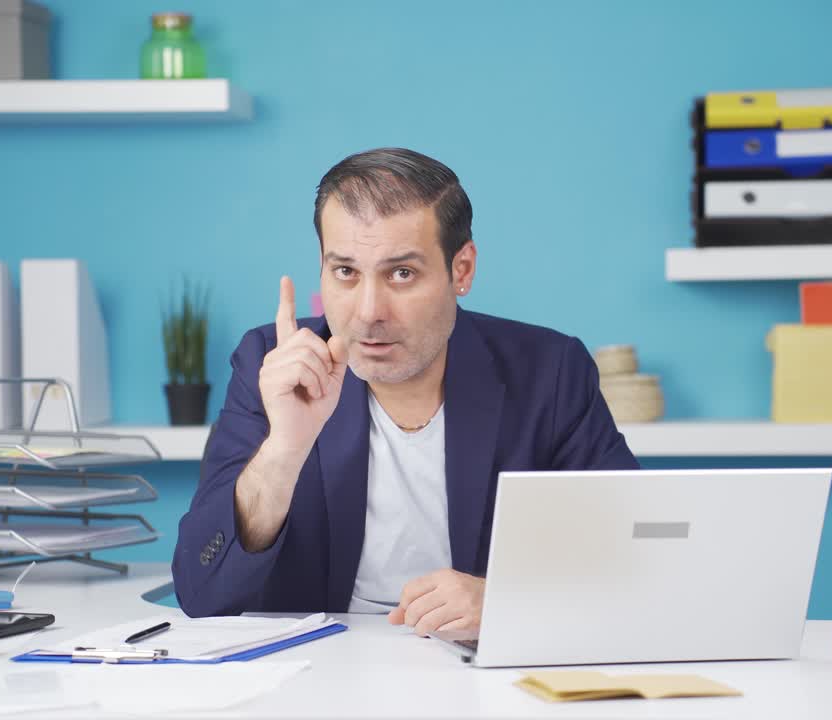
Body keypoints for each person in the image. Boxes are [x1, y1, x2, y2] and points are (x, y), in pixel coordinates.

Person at [173, 147, 637, 638]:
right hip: (319, 674)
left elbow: (633, 553)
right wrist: (285, 449)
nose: (369, 311)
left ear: (462, 270)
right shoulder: (271, 361)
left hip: (479, 675)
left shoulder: (550, 371)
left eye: (402, 273)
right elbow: (202, 592)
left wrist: (510, 600)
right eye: (346, 272)